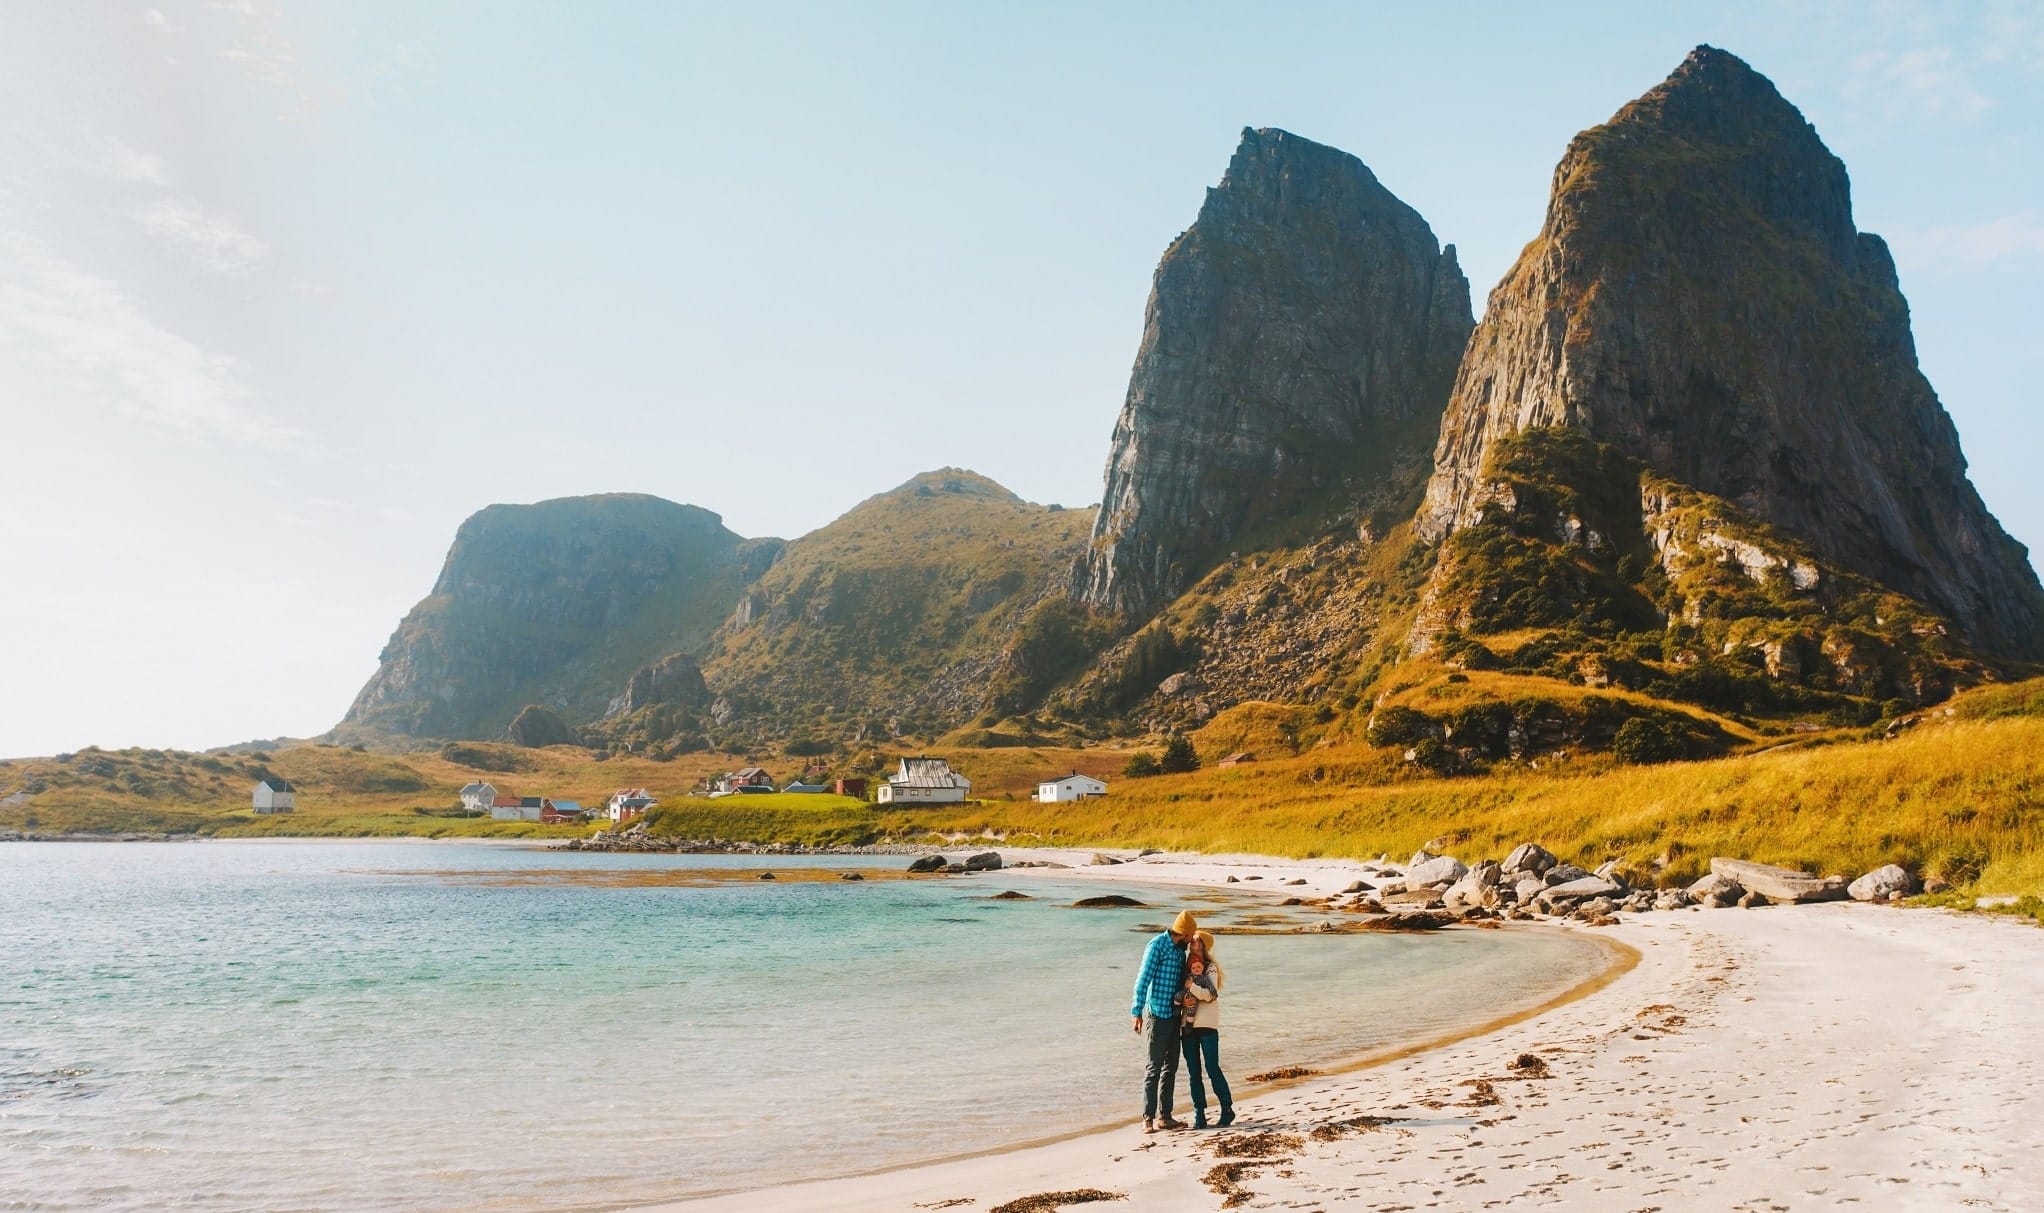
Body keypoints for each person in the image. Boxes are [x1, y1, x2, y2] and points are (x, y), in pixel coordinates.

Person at [1130, 909, 1197, 1132]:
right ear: (1185, 933)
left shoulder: (1180, 952)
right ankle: (1147, 1118)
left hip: (1174, 1016)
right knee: (1153, 1067)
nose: (1191, 941)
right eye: (1191, 936)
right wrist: (1136, 1011)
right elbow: (1142, 979)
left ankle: (1165, 1116)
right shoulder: (1157, 945)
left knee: (1171, 1067)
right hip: (1156, 1015)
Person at [1179, 929, 1234, 1128]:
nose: (1194, 944)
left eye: (1198, 942)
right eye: (1192, 941)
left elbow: (1210, 995)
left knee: (1212, 1069)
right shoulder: (1186, 968)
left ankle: (1227, 1108)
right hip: (1188, 1027)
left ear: (1203, 945)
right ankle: (1199, 1115)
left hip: (1208, 1026)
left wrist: (1191, 988)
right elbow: (1181, 995)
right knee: (1194, 1072)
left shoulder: (1210, 968)